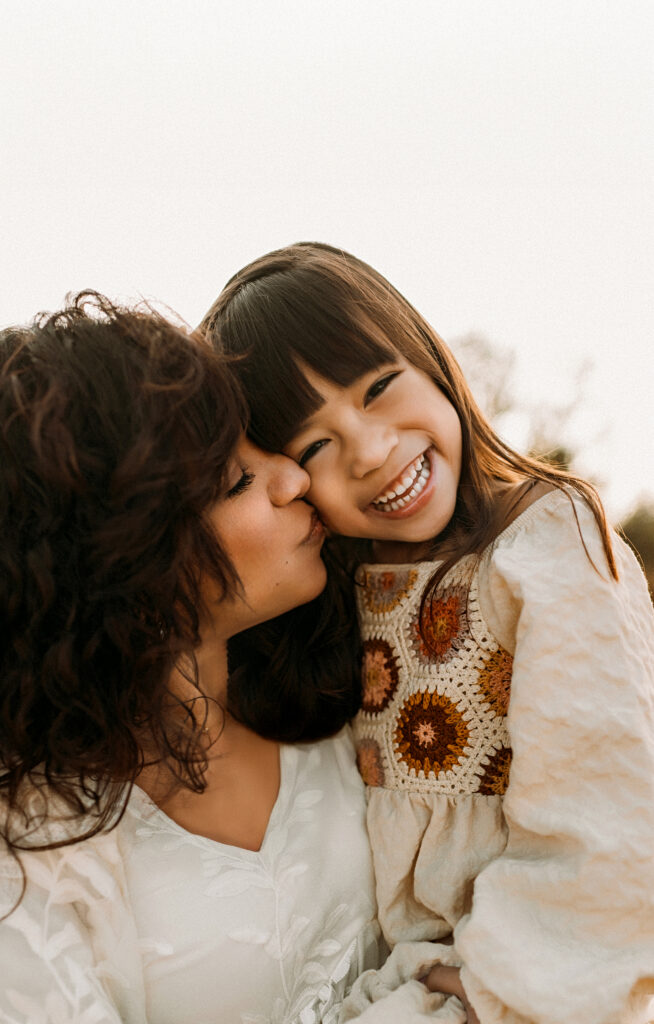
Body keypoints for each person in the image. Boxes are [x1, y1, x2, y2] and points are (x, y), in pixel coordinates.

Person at [201, 242, 654, 1024]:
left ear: (428, 358)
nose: (373, 451)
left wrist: (501, 993)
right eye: (315, 445)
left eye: (379, 388)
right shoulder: (343, 593)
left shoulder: (543, 545)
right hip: (401, 984)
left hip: (532, 985)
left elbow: (607, 823)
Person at [0, 293, 384, 1024]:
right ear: (127, 555)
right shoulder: (32, 852)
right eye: (237, 480)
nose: (293, 478)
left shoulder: (342, 699)